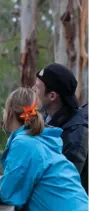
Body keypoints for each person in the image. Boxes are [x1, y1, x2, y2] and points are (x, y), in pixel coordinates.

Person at [0, 87, 88, 211]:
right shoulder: (39, 139)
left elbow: (11, 195)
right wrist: (5, 186)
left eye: (5, 110)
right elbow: (24, 179)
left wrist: (3, 190)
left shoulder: (24, 143)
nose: (3, 114)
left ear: (11, 113)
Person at [33, 63, 88, 193]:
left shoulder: (75, 134)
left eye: (37, 88)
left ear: (52, 96)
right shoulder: (49, 119)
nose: (33, 90)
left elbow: (61, 185)